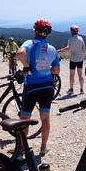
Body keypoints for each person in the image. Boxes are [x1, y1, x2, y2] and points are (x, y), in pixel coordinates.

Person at [17, 19, 60, 156]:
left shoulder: (29, 43)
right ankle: (43, 147)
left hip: (31, 86)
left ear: (35, 31)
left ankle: (23, 149)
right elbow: (56, 71)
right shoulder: (52, 49)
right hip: (48, 86)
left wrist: (26, 65)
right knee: (45, 119)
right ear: (48, 33)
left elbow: (19, 53)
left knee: (24, 119)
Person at [58, 25, 85, 94]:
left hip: (73, 59)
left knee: (72, 75)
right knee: (80, 75)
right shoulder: (81, 38)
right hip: (80, 59)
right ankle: (81, 89)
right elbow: (83, 49)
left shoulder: (70, 39)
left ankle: (71, 89)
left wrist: (60, 50)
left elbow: (68, 49)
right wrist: (80, 54)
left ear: (71, 31)